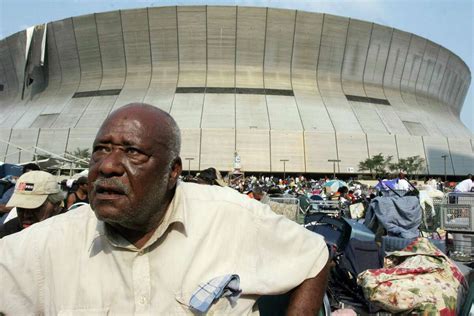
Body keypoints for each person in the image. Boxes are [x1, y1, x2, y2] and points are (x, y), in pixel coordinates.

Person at [0, 103, 329, 314]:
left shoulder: (232, 218)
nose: (108, 166)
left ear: (173, 172)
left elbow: (314, 254)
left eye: (133, 152)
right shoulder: (49, 244)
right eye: (100, 150)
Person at [0, 170, 64, 238]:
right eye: (20, 207)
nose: (26, 215)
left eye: (34, 208)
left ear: (56, 205)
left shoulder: (69, 231)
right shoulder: (8, 231)